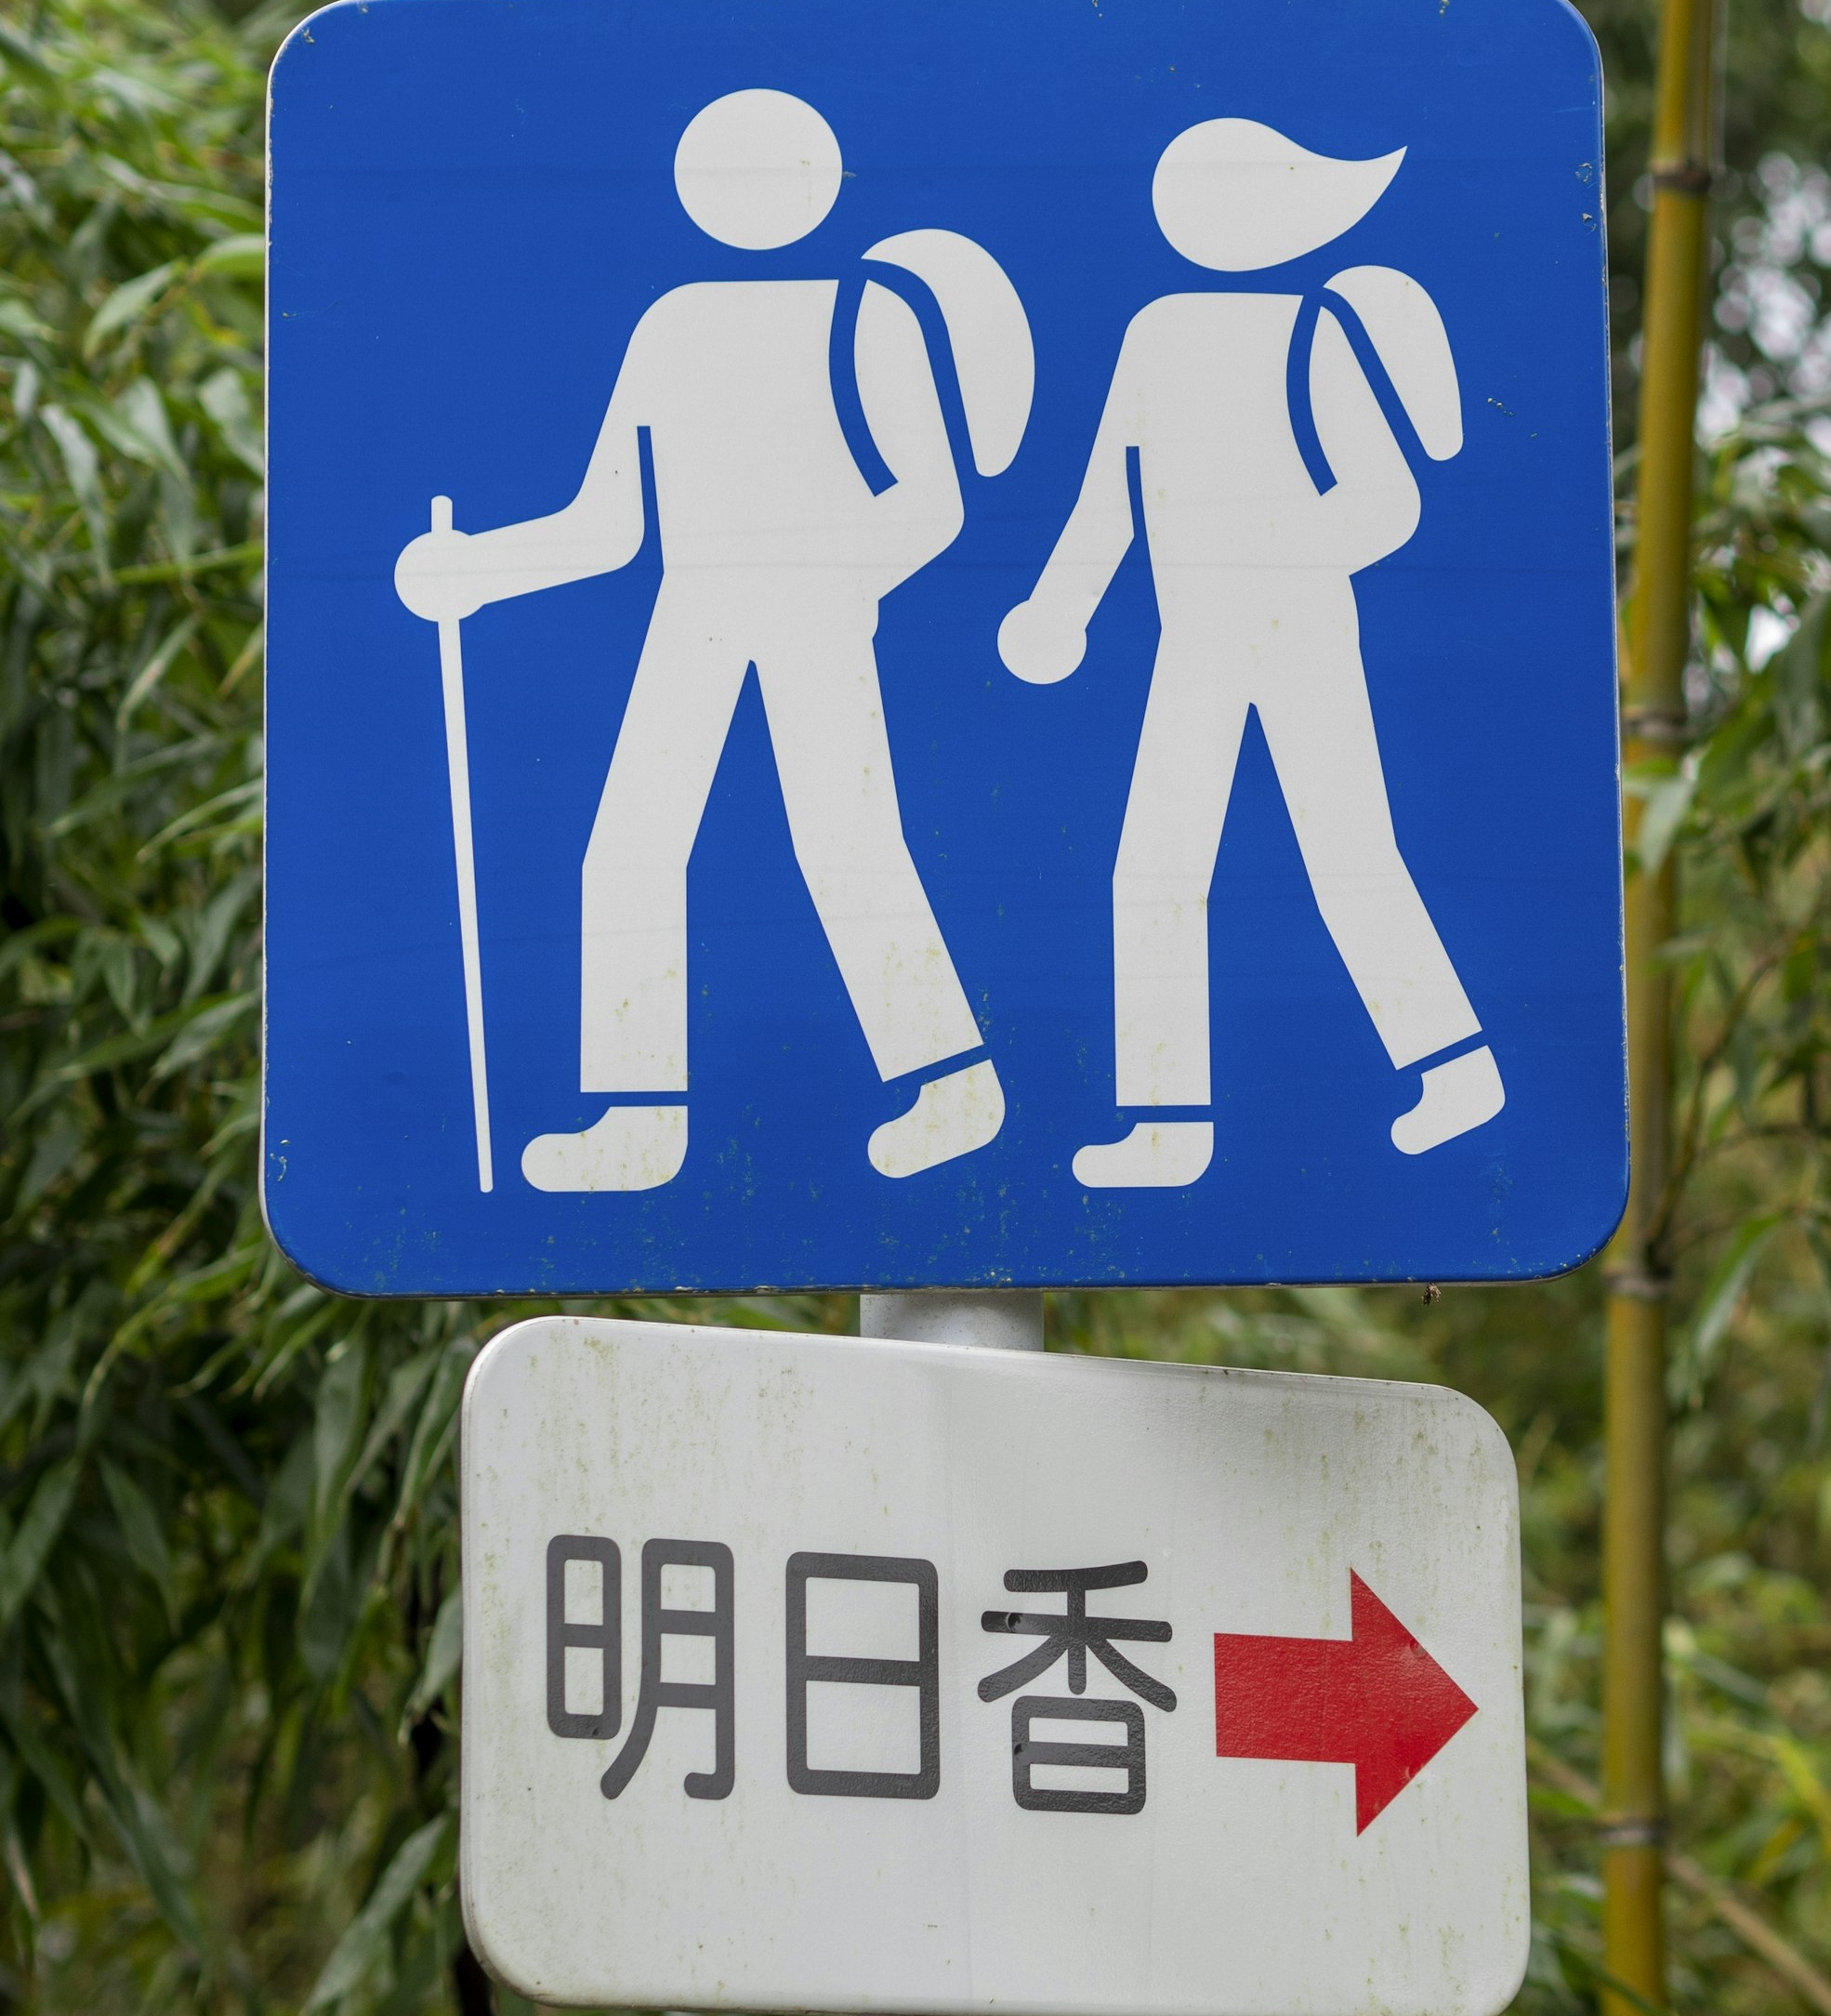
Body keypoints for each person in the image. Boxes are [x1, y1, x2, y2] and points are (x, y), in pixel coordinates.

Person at [392, 87, 1027, 1192]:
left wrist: (841, 576)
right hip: (694, 609)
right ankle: (641, 1122)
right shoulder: (673, 321)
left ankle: (957, 1084)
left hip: (815, 609)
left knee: (848, 844)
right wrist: (474, 573)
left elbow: (935, 505)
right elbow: (610, 524)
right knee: (627, 848)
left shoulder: (866, 316)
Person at [997, 115, 1503, 1190]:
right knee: (1154, 869)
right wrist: (1061, 604)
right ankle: (1169, 1124)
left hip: (1302, 627)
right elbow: (1109, 491)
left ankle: (1458, 1069)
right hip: (1196, 637)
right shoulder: (1156, 331)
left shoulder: (1316, 333)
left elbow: (1389, 500)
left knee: (1349, 857)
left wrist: (1267, 547)